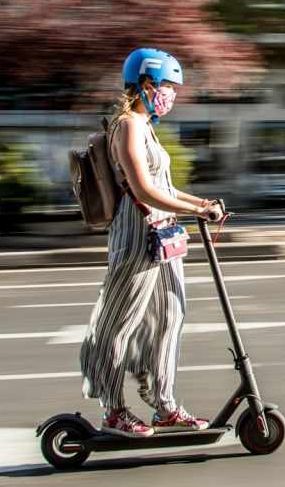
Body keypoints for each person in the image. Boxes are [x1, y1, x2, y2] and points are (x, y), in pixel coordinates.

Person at [79, 48, 224, 438]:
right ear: (146, 84)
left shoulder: (146, 125)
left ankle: (165, 406)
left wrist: (201, 204)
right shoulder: (127, 125)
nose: (172, 95)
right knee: (119, 322)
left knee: (168, 317)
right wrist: (197, 214)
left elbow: (164, 186)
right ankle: (113, 410)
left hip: (162, 232)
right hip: (136, 233)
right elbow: (142, 189)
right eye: (168, 86)